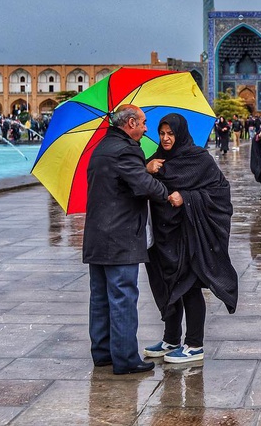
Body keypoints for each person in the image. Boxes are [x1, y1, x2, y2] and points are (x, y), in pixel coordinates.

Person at [83, 104, 177, 375]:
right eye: (144, 123)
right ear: (132, 122)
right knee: (123, 296)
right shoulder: (127, 149)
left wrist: (142, 168)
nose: (147, 128)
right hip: (120, 237)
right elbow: (142, 186)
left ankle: (102, 353)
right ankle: (125, 359)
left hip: (97, 235)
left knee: (100, 297)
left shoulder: (102, 147)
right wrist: (166, 193)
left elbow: (120, 180)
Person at [143, 113, 238, 364]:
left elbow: (220, 192)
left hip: (189, 234)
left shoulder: (198, 158)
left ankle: (195, 344)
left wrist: (186, 197)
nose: (165, 138)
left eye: (170, 133)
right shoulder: (157, 159)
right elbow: (142, 186)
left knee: (189, 287)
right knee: (168, 285)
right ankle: (171, 338)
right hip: (164, 235)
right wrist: (146, 168)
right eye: (162, 133)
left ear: (180, 133)